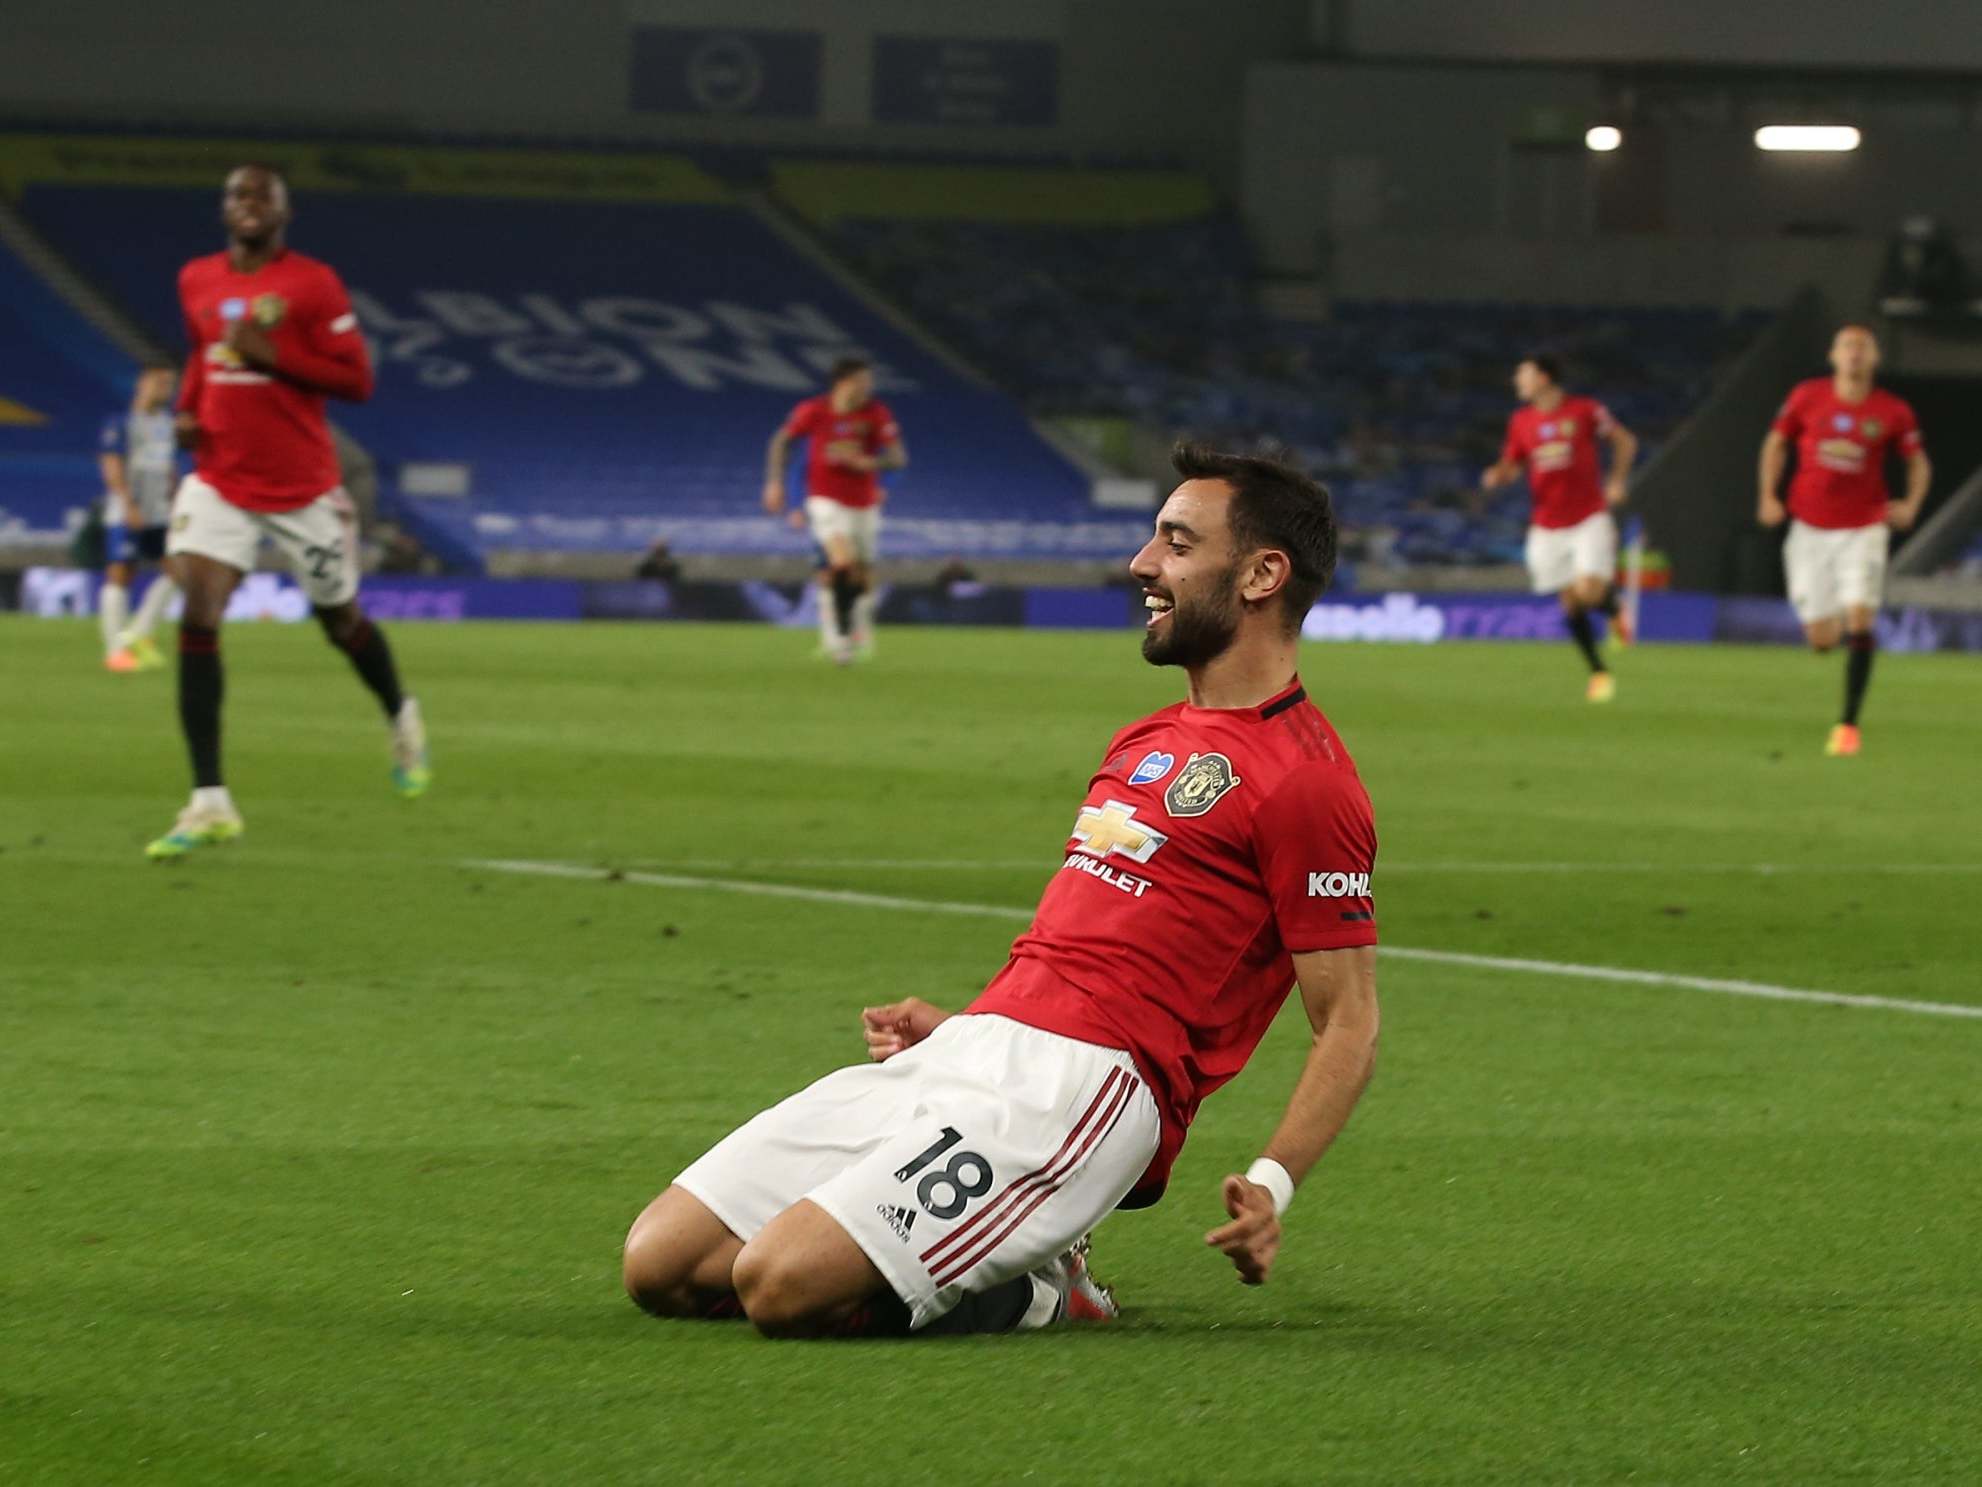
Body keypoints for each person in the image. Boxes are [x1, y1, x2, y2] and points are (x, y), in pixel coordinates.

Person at [624, 443, 1381, 1339]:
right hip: (980, 1046)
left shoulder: (1307, 781)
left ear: (1262, 573)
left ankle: (1048, 1284)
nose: (1143, 563)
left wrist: (1272, 1180)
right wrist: (973, 1024)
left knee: (781, 1284)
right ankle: (1017, 1241)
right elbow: (1101, 935)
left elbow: (1349, 1019)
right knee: (660, 1263)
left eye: (1177, 543)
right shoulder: (1145, 738)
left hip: (1089, 1089)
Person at [147, 164, 430, 861]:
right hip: (219, 476)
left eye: (261, 196)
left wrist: (274, 357)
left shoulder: (313, 284)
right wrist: (187, 410)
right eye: (237, 194)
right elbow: (197, 354)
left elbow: (355, 380)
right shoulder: (198, 279)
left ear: (283, 212)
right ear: (225, 210)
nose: (248, 205)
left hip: (302, 486)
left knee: (341, 621)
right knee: (198, 612)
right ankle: (210, 800)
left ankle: (401, 715)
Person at [1757, 325, 1929, 757]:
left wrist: (1911, 504)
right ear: (1833, 355)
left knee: (1860, 618)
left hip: (1864, 527)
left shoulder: (1892, 411)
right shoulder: (1806, 397)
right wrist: (1767, 495)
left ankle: (1848, 724)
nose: (1855, 352)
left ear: (1875, 359)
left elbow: (1918, 463)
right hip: (1809, 528)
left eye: (1863, 346)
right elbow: (1776, 443)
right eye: (1847, 345)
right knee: (1821, 638)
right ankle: (1828, 631)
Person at [1480, 354, 1638, 701]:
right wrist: (1498, 474)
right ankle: (1599, 672)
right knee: (1570, 604)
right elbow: (1512, 464)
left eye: (1523, 374)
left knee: (1588, 591)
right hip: (1546, 525)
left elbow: (1625, 441)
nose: (1517, 381)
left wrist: (1616, 481)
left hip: (1588, 517)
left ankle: (1612, 607)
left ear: (1545, 377)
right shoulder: (1521, 421)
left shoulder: (1585, 411)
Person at [760, 357, 906, 664]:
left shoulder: (876, 414)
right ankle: (840, 641)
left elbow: (898, 457)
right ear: (844, 383)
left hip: (863, 502)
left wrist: (872, 464)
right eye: (864, 381)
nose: (870, 387)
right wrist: (775, 483)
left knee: (862, 571)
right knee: (839, 563)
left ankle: (858, 625)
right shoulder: (813, 411)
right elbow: (781, 440)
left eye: (870, 382)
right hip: (825, 500)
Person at [98, 365, 184, 672]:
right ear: (142, 383)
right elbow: (111, 464)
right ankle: (116, 651)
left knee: (178, 570)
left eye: (171, 383)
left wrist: (175, 500)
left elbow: (168, 467)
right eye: (160, 381)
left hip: (160, 511)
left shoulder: (168, 424)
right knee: (121, 574)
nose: (166, 388)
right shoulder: (121, 423)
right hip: (128, 510)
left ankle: (140, 633)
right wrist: (127, 503)